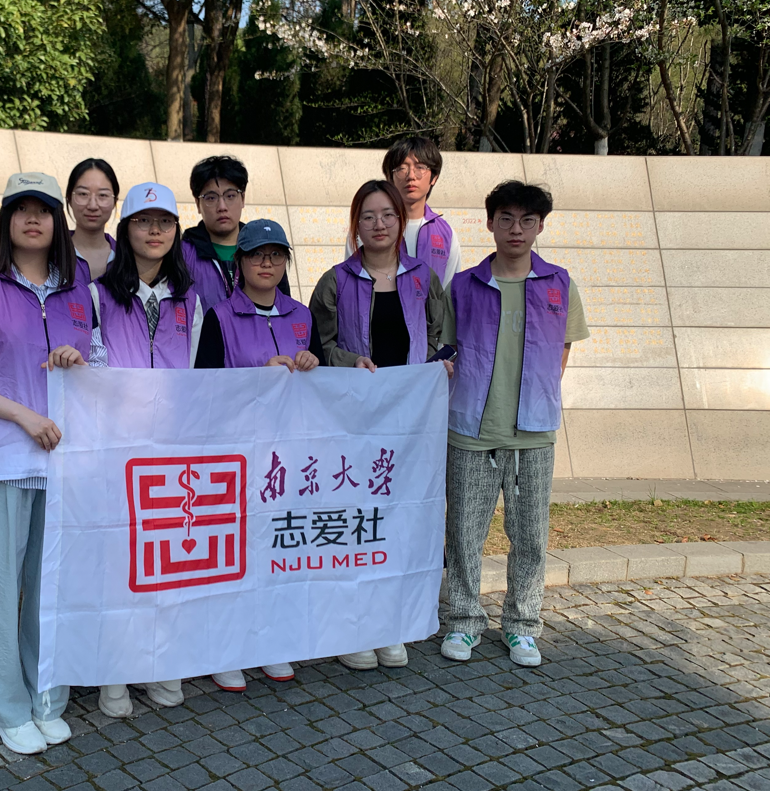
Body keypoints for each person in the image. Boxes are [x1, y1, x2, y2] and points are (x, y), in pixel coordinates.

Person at [0, 171, 107, 754]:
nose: (32, 219)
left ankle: (45, 698)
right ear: (7, 220)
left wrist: (77, 363)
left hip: (62, 461)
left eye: (43, 209)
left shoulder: (80, 290)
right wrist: (22, 416)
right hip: (2, 459)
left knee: (49, 586)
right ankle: (3, 707)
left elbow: (101, 367)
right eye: (20, 209)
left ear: (58, 221)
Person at [440, 181, 588, 669]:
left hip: (534, 433)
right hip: (471, 430)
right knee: (464, 533)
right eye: (505, 218)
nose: (516, 229)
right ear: (490, 223)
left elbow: (564, 347)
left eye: (527, 220)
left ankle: (523, 625)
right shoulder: (464, 285)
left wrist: (538, 396)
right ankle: (464, 620)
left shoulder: (559, 283)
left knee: (530, 536)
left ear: (540, 226)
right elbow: (445, 349)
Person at [309, 179, 448, 673]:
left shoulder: (423, 278)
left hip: (408, 426)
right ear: (356, 225)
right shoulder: (335, 281)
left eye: (388, 214)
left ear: (401, 220)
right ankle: (352, 627)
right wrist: (350, 361)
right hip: (353, 424)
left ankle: (389, 623)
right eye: (368, 216)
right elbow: (318, 346)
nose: (379, 224)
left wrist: (439, 365)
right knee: (354, 522)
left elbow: (441, 337)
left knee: (397, 523)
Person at [195, 219, 322, 691]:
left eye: (275, 254)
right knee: (234, 554)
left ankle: (271, 640)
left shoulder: (302, 315)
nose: (266, 263)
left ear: (286, 261)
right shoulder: (219, 316)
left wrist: (312, 362)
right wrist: (258, 374)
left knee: (277, 552)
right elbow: (204, 388)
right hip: (238, 455)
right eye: (255, 255)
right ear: (240, 264)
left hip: (288, 459)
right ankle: (227, 648)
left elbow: (323, 384)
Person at [90, 181, 201, 716]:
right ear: (126, 229)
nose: (154, 231)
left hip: (173, 452)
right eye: (143, 221)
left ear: (176, 231)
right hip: (118, 450)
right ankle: (115, 667)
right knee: (120, 560)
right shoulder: (97, 295)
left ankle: (161, 659)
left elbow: (201, 377)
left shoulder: (190, 300)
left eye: (164, 222)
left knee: (169, 558)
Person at [345, 138, 460, 289]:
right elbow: (351, 284)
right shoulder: (367, 229)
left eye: (420, 167)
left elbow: (448, 293)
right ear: (390, 177)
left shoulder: (446, 234)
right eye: (402, 168)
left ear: (434, 177)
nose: (411, 176)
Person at [183, 155, 290, 313]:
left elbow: (284, 306)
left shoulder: (265, 247)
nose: (222, 206)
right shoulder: (183, 254)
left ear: (243, 198)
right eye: (211, 198)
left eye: (230, 196)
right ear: (198, 204)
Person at [67, 158, 118, 283]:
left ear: (114, 201)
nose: (92, 206)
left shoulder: (126, 258)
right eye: (83, 194)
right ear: (69, 198)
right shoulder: (52, 254)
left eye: (103, 195)